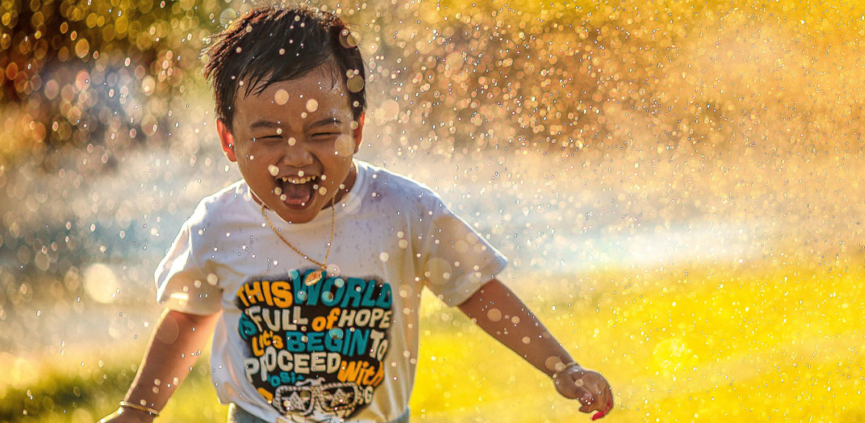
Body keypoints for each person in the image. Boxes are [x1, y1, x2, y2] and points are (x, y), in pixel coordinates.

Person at [99, 5, 613, 423]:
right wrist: (137, 410)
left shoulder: (403, 210)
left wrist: (560, 366)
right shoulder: (219, 225)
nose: (296, 157)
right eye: (269, 136)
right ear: (229, 140)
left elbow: (476, 289)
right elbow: (189, 317)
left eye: (322, 133)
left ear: (357, 129)